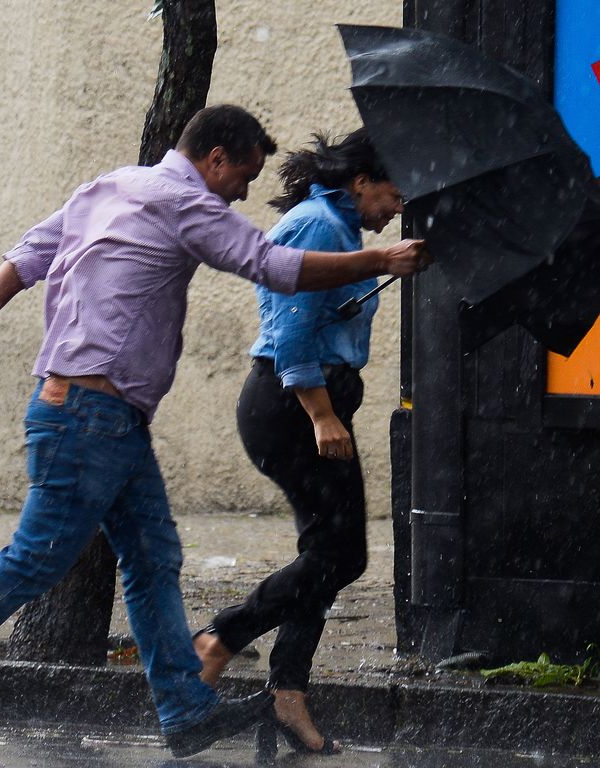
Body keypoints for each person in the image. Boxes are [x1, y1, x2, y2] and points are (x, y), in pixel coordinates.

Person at [0, 107, 429, 758]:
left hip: (106, 416)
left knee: (153, 560)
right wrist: (380, 258)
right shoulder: (186, 204)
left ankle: (186, 709)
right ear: (215, 158)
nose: (245, 193)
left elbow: (29, 256)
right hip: (88, 412)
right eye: (243, 176)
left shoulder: (111, 186)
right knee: (36, 559)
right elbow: (275, 267)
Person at [192, 128, 406, 757]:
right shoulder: (318, 226)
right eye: (394, 193)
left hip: (309, 404)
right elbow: (288, 328)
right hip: (291, 408)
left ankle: (287, 696)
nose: (397, 208)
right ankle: (220, 640)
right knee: (342, 557)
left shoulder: (340, 233)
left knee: (327, 553)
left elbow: (331, 311)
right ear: (361, 181)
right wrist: (320, 412)